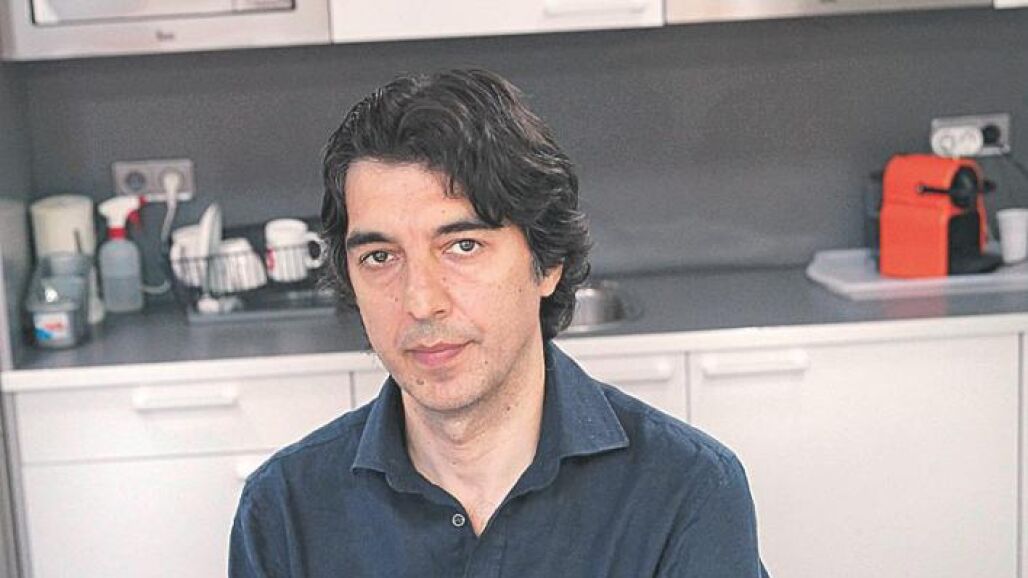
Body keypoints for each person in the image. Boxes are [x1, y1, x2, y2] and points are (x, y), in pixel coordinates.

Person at [229, 68, 770, 577]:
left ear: (547, 262)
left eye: (463, 246)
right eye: (380, 257)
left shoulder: (687, 493)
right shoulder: (282, 512)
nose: (421, 301)